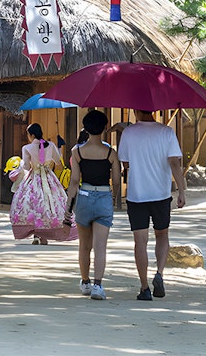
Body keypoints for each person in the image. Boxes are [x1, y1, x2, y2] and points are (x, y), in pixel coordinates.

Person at [117, 110, 187, 301]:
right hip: (161, 194)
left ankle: (144, 287)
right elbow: (174, 162)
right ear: (154, 110)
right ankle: (159, 273)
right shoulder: (167, 132)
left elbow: (125, 162)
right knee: (162, 234)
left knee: (140, 241)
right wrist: (181, 190)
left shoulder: (129, 133)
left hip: (137, 194)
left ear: (135, 110)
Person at [66, 111, 121, 301]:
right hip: (104, 196)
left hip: (84, 196)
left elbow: (74, 181)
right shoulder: (111, 153)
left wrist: (68, 206)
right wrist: (115, 201)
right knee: (100, 246)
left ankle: (85, 282)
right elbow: (115, 180)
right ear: (105, 127)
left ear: (86, 127)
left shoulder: (77, 152)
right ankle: (98, 285)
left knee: (84, 246)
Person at [9, 123, 68, 245]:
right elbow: (58, 162)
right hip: (48, 177)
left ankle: (36, 234)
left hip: (34, 176)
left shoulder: (27, 148)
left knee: (33, 204)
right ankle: (45, 233)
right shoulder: (51, 145)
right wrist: (58, 149)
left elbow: (25, 166)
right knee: (49, 204)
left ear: (32, 135)